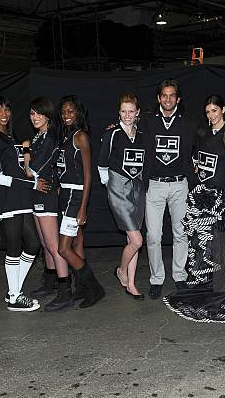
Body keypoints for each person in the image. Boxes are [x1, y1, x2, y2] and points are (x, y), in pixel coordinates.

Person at [164, 94, 225, 323]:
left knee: (211, 237)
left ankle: (219, 284)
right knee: (197, 238)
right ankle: (203, 280)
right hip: (200, 190)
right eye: (208, 112)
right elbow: (197, 157)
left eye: (215, 111)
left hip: (217, 193)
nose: (211, 115)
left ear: (223, 110)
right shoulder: (203, 132)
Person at [0, 95, 48, 312]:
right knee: (13, 248)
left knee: (33, 244)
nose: (4, 114)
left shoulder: (11, 137)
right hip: (8, 200)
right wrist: (32, 185)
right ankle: (14, 296)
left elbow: (21, 168)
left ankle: (15, 290)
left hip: (22, 198)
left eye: (7, 109)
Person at [140, 79, 198, 299]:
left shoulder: (189, 123)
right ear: (158, 99)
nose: (167, 99)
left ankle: (180, 275)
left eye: (172, 95)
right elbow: (128, 123)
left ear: (178, 99)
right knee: (153, 235)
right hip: (154, 184)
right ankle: (156, 278)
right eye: (164, 95)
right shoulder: (147, 122)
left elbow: (210, 136)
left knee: (180, 233)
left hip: (179, 184)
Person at [53, 95, 105, 309]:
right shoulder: (65, 137)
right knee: (77, 242)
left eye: (71, 111)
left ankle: (94, 287)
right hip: (65, 195)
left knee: (63, 249)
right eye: (64, 111)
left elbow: (87, 175)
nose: (66, 115)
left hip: (75, 198)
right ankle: (83, 289)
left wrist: (82, 207)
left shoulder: (80, 137)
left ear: (78, 113)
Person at [24, 97, 71, 311]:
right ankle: (51, 282)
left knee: (54, 245)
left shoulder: (50, 136)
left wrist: (25, 153)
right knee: (45, 244)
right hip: (36, 191)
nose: (35, 117)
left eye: (39, 113)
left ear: (48, 115)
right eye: (32, 113)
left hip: (45, 191)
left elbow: (32, 169)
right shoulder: (39, 136)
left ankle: (65, 291)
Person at [98, 93, 145, 300]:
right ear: (119, 112)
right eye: (124, 111)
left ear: (137, 113)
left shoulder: (142, 134)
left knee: (130, 238)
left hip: (138, 188)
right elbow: (102, 162)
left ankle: (132, 284)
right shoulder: (113, 133)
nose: (127, 115)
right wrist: (110, 184)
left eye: (131, 111)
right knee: (137, 240)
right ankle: (121, 270)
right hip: (118, 189)